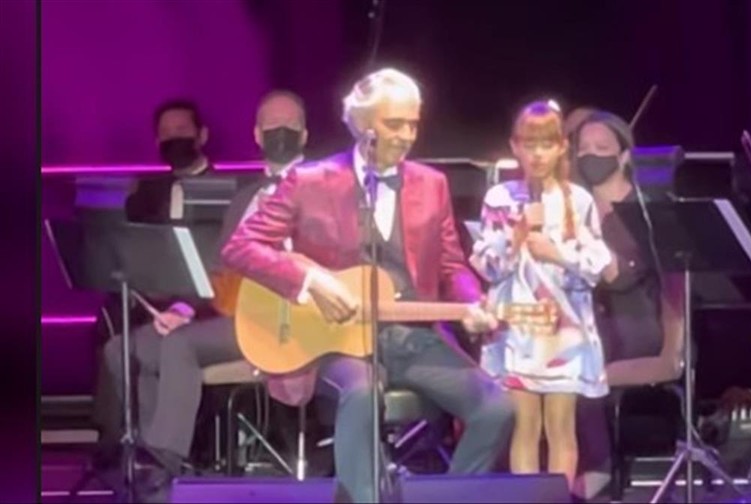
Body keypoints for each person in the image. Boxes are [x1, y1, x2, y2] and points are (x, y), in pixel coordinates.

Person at [221, 68, 514, 503]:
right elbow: (240, 247)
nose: (407, 135)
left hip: (412, 336)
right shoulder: (310, 181)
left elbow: (452, 266)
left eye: (413, 124)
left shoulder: (432, 184)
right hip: (335, 339)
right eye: (394, 124)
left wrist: (473, 303)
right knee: (361, 394)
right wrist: (310, 281)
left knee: (496, 408)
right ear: (361, 123)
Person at [97, 91, 311, 492]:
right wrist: (183, 308)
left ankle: (163, 463)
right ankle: (148, 461)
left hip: (287, 320)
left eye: (290, 126)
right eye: (272, 126)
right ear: (257, 134)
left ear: (304, 134)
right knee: (124, 349)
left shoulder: (325, 190)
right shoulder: (245, 197)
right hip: (230, 314)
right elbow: (218, 272)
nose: (280, 133)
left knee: (179, 346)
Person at [469, 99, 612, 495]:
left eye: (546, 144)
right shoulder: (500, 198)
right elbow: (488, 267)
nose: (537, 154)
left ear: (561, 147)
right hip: (517, 328)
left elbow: (597, 265)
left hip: (565, 331)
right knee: (525, 426)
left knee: (561, 427)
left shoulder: (578, 200)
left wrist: (557, 253)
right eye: (529, 144)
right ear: (515, 147)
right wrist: (515, 237)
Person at [567, 110, 666, 497]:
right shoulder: (572, 204)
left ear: (624, 156)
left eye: (602, 147)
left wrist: (581, 242)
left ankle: (598, 465)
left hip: (635, 320)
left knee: (579, 354)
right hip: (585, 317)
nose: (591, 155)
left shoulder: (642, 209)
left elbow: (621, 277)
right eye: (584, 148)